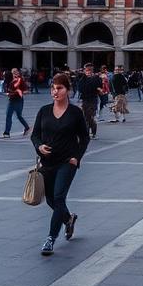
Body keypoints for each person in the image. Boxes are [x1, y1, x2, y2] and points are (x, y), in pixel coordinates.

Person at [31, 72, 91, 256]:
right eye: (53, 88)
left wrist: (76, 158)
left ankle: (51, 238)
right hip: (47, 163)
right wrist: (39, 146)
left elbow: (84, 137)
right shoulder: (44, 111)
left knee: (58, 198)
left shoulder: (75, 112)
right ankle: (68, 219)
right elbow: (35, 135)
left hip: (67, 162)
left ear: (68, 90)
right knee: (50, 199)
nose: (55, 92)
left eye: (59, 88)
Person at [76, 65, 101, 140]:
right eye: (87, 70)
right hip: (84, 100)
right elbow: (80, 89)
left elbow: (98, 87)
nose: (88, 72)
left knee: (91, 117)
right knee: (85, 117)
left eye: (90, 70)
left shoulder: (96, 78)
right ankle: (86, 133)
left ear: (92, 71)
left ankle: (93, 133)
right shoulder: (82, 79)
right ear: (84, 71)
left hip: (93, 100)